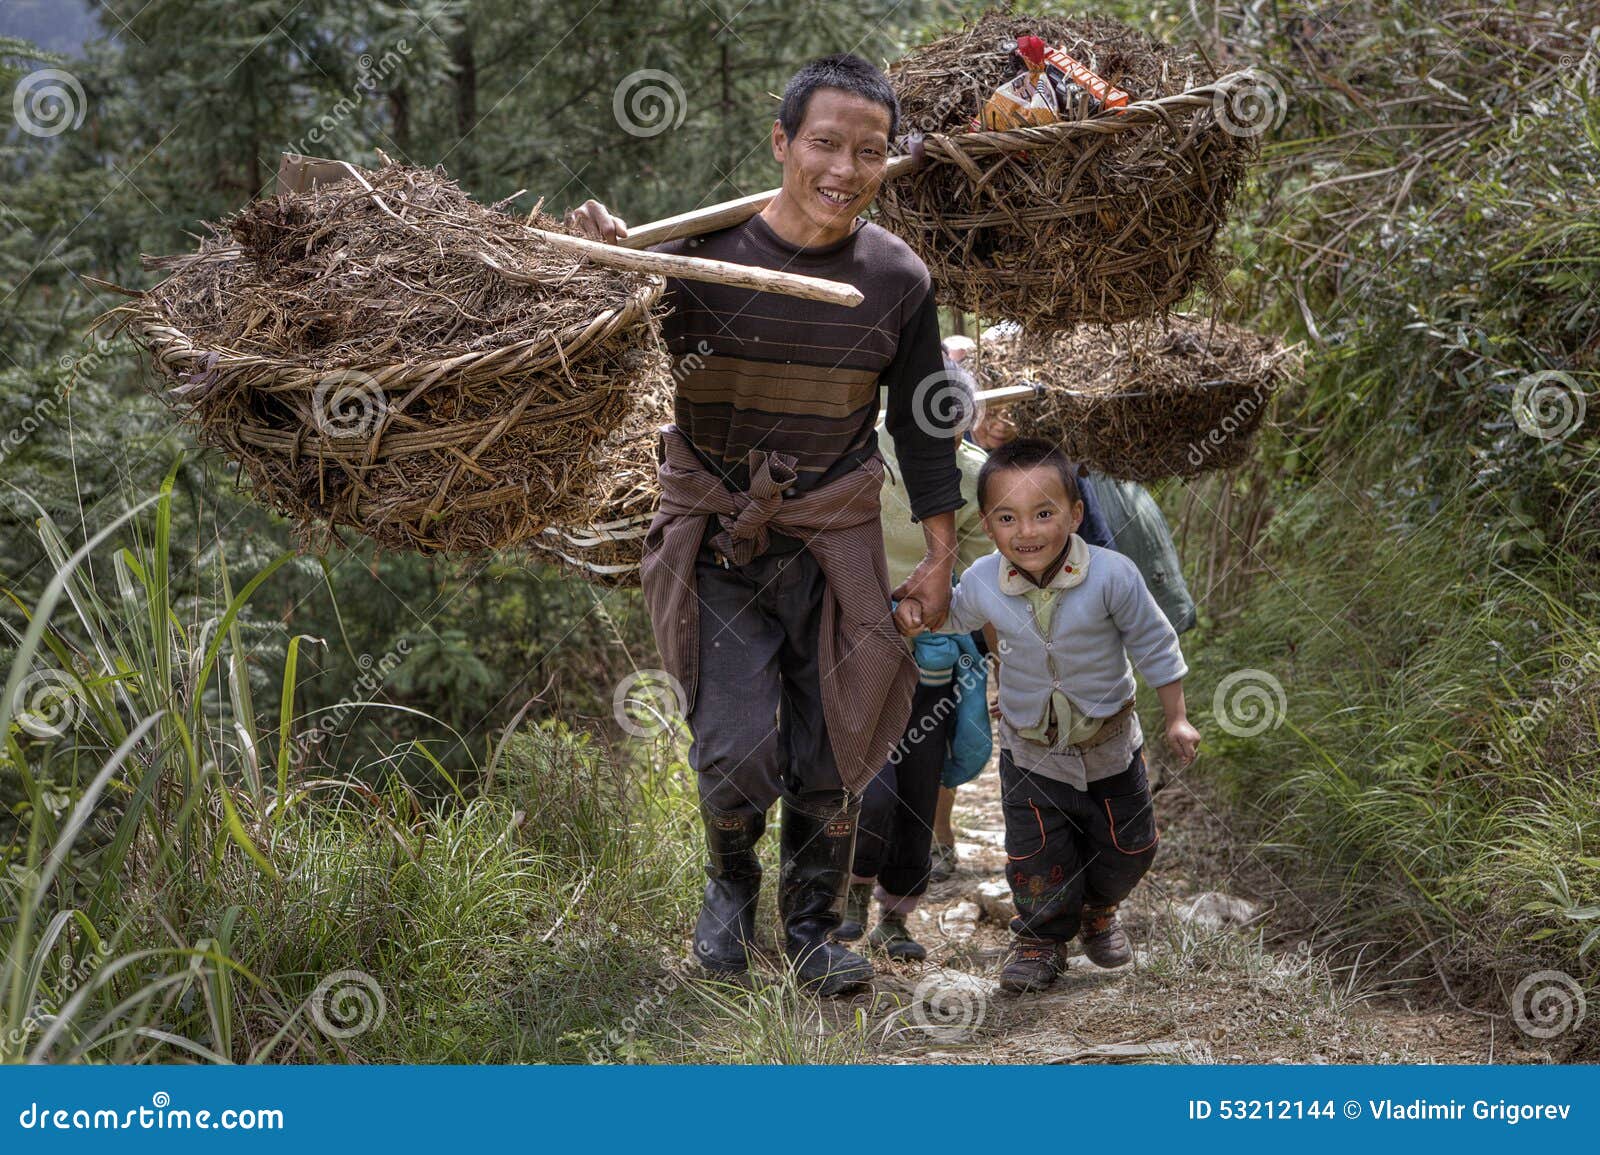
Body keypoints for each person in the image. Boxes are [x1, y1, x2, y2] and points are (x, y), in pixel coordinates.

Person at [567, 54, 965, 997]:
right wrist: (596, 252)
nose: (843, 167)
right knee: (737, 739)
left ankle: (817, 924)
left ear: (887, 161)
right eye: (824, 142)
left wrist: (943, 551)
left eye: (868, 151)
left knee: (837, 734)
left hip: (836, 536)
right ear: (782, 142)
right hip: (716, 537)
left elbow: (923, 422)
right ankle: (730, 885)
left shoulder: (896, 279)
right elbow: (584, 328)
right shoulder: (695, 257)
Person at [895, 438, 1201, 994]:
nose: (1027, 532)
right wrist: (918, 615)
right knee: (1036, 856)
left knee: (1132, 847)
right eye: (1008, 518)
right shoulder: (985, 580)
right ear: (987, 524)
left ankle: (1098, 908)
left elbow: (1155, 643)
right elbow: (952, 615)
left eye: (1043, 514)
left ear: (1075, 513)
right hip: (1029, 748)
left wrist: (1176, 717)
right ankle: (1040, 940)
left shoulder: (1113, 575)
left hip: (1109, 742)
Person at [833, 363, 992, 959]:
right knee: (871, 788)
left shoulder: (976, 481)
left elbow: (984, 579)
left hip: (935, 660)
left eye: (948, 432)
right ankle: (851, 893)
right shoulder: (860, 456)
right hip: (862, 650)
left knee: (918, 794)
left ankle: (896, 917)